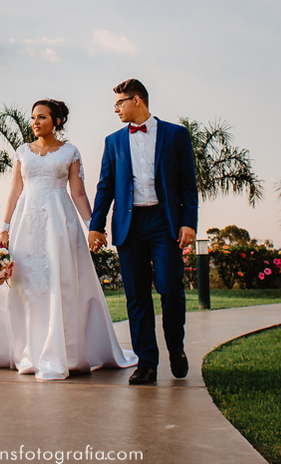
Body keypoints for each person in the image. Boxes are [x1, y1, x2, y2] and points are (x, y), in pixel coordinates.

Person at [0, 98, 137, 380]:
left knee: (59, 282)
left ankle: (63, 352)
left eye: (42, 117)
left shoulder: (70, 152)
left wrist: (93, 226)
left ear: (56, 121)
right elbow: (15, 190)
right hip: (26, 223)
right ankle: (27, 351)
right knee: (25, 285)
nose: (35, 122)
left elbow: (78, 193)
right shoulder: (22, 152)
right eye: (33, 117)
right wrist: (4, 227)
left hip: (59, 222)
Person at [88, 79, 198, 385]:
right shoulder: (113, 142)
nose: (116, 109)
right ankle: (146, 363)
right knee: (136, 296)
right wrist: (96, 225)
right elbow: (105, 186)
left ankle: (176, 349)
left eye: (119, 103)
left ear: (137, 100)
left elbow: (188, 184)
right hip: (130, 225)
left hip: (165, 222)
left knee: (170, 288)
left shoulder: (176, 135)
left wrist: (189, 222)